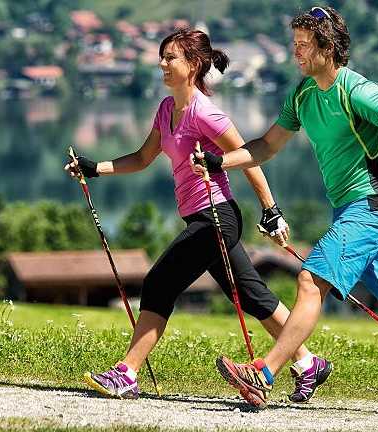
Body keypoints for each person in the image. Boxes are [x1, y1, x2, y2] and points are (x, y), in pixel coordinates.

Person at [191, 7, 378, 417]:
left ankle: (263, 373)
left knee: (310, 279)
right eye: (295, 44)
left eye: (304, 45)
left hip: (370, 206)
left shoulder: (357, 91)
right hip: (349, 210)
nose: (296, 52)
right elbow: (266, 146)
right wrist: (220, 162)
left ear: (328, 47)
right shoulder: (303, 94)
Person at [65, 28, 331, 403]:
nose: (162, 63)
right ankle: (307, 363)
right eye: (161, 56)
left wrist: (271, 210)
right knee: (252, 296)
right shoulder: (166, 110)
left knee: (159, 283)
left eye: (170, 57)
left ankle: (126, 373)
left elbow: (249, 158)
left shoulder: (205, 113)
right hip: (199, 218)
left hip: (216, 218)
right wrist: (95, 168)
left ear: (193, 65)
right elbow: (142, 158)